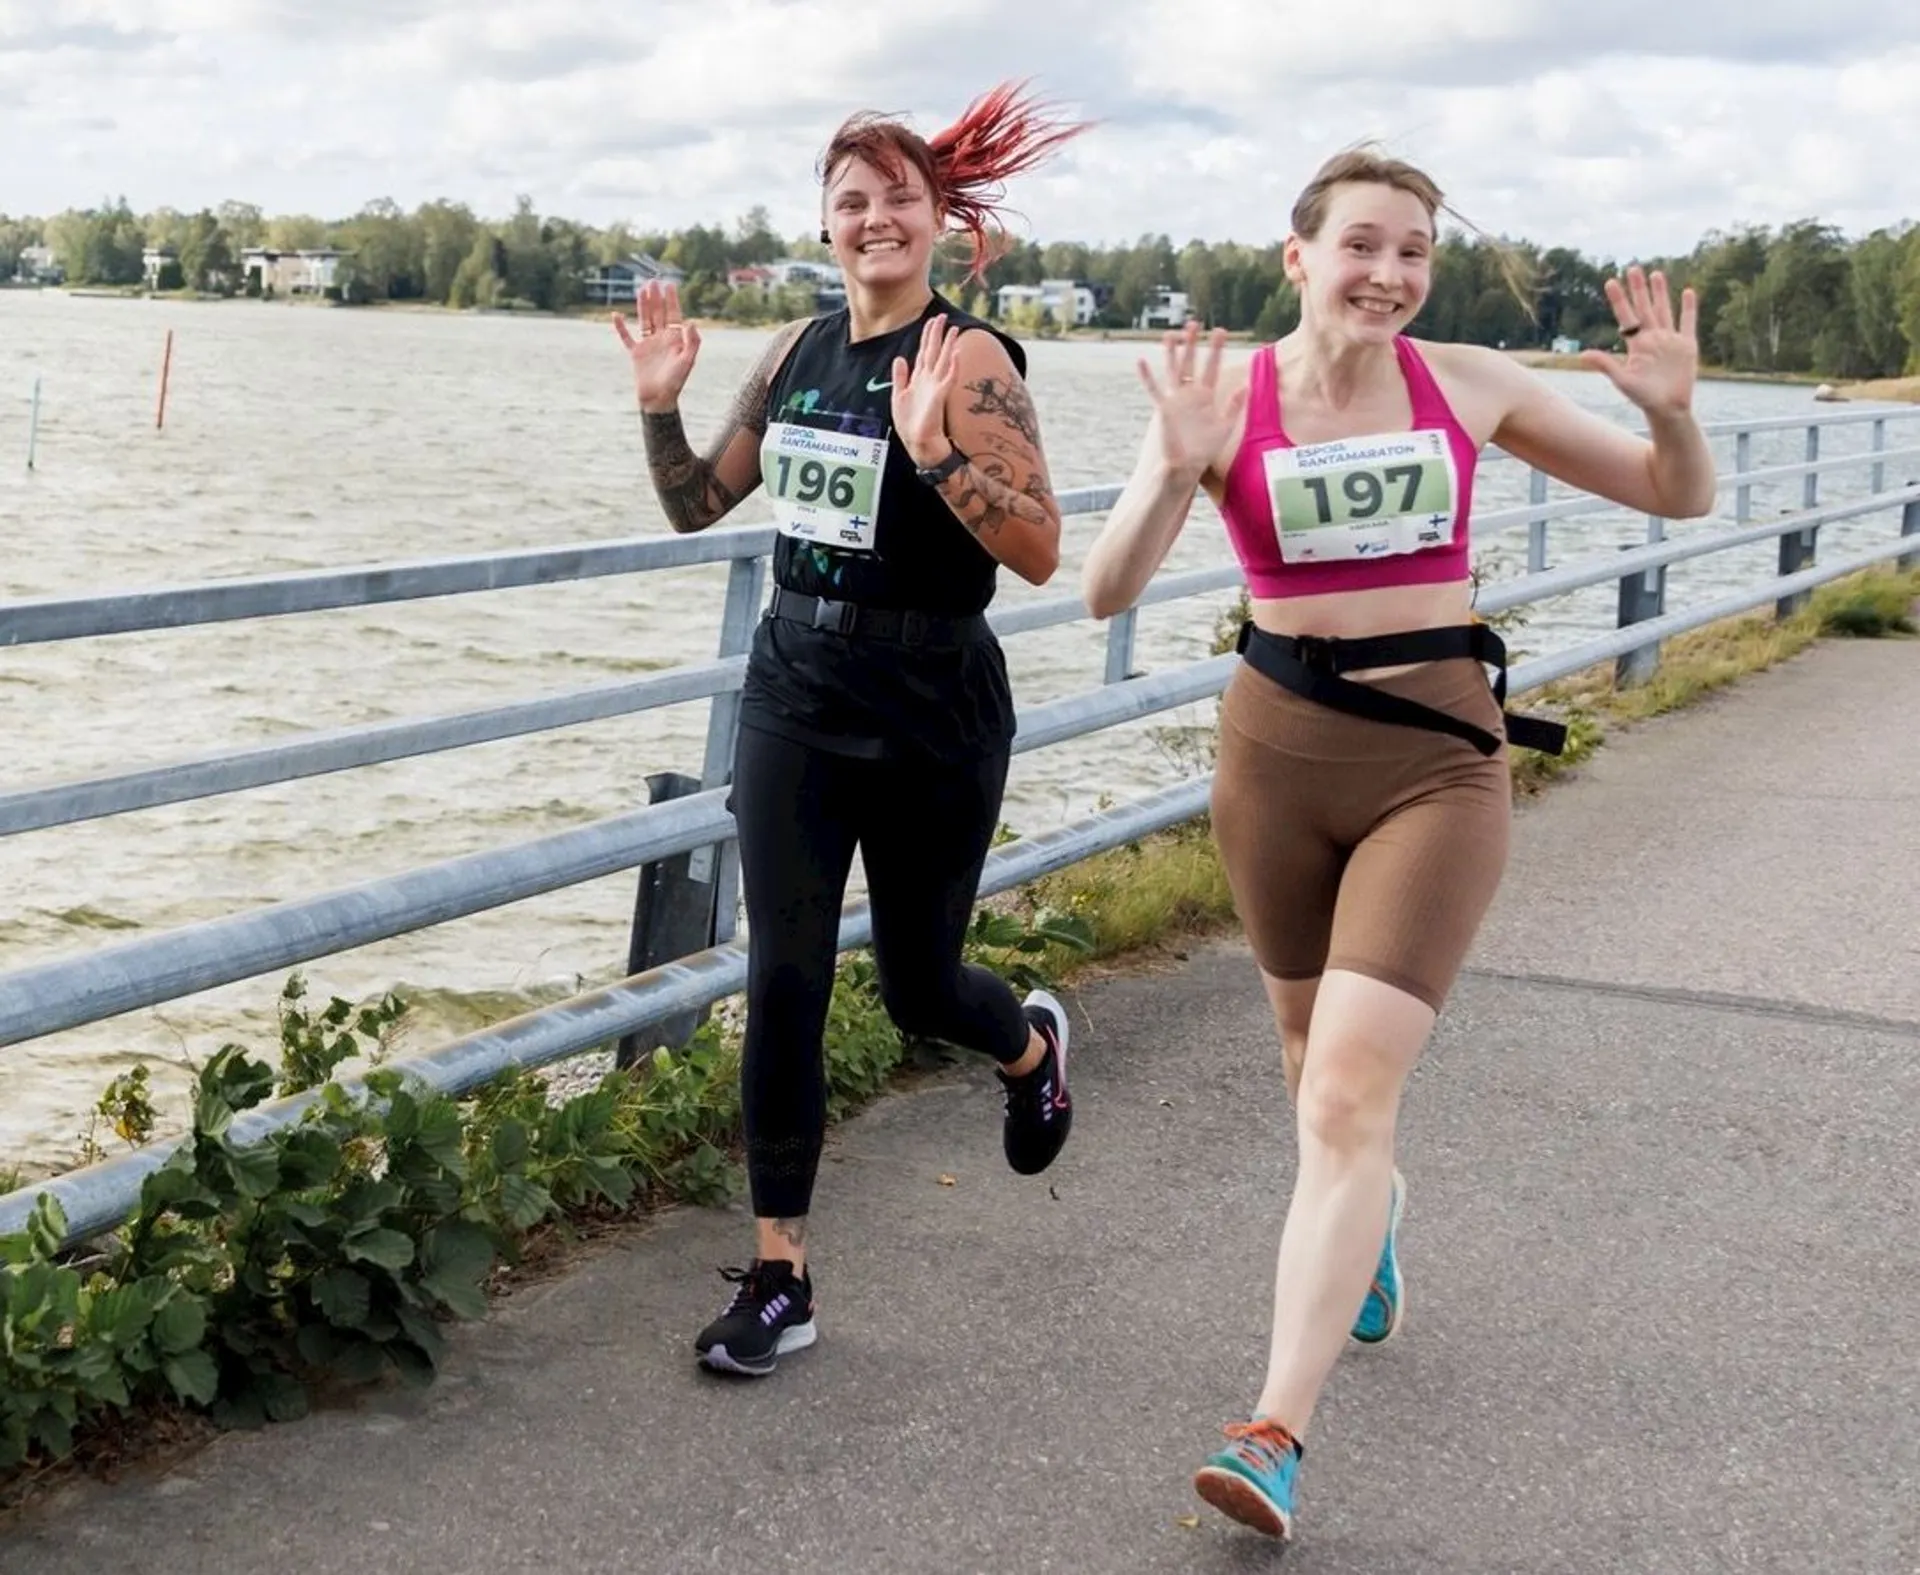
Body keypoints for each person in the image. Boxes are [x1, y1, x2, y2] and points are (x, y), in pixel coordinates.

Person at [1080, 147, 1716, 1539]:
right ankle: (1370, 1220)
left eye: (1414, 251)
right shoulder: (1221, 395)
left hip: (1436, 760)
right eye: (1362, 244)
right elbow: (1103, 588)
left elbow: (1681, 500)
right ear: (1297, 256)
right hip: (1276, 761)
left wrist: (1676, 418)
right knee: (1313, 1073)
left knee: (1344, 1098)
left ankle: (1272, 1431)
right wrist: (1173, 475)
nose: (1390, 274)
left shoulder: (1472, 385)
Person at [613, 82, 1092, 1378]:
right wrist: (660, 401)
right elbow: (696, 505)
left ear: (939, 218)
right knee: (786, 979)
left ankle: (1028, 1046)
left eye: (899, 197)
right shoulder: (791, 354)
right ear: (825, 226)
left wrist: (934, 447)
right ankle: (783, 1274)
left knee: (922, 985)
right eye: (851, 200)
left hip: (934, 706)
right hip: (797, 696)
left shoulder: (970, 359)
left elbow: (1041, 550)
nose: (875, 219)